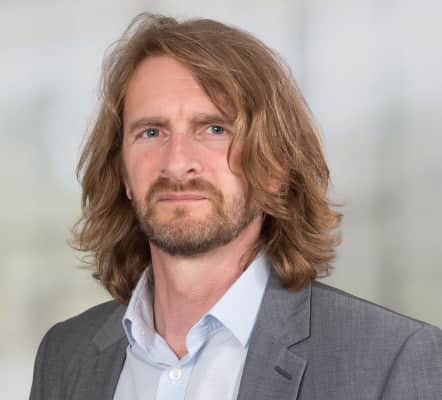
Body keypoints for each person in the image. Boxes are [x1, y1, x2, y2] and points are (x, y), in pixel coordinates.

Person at [30, 13, 442, 400]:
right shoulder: (65, 356)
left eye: (214, 129)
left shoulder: (390, 360)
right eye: (151, 132)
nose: (177, 163)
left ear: (275, 165)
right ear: (123, 173)